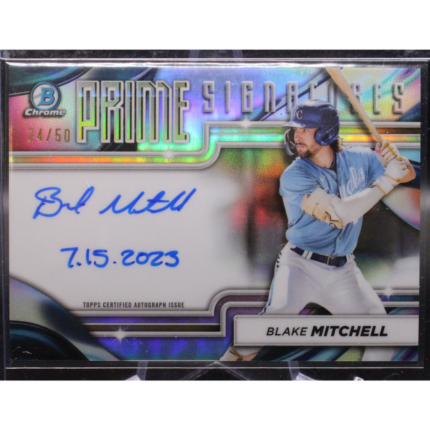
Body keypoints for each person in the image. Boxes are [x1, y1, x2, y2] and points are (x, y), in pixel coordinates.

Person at [221, 99, 416, 362]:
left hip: (343, 270)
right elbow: (340, 214)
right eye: (295, 129)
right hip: (300, 267)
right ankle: (221, 370)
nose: (296, 136)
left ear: (326, 133)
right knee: (262, 332)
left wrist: (396, 161)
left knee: (382, 336)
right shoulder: (295, 175)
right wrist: (387, 179)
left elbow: (408, 175)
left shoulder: (360, 159)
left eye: (304, 129)